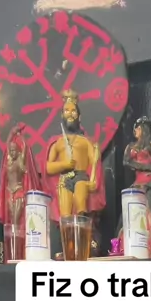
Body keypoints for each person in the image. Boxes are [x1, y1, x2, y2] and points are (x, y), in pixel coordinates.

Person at [43, 88, 105, 220]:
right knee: (65, 216)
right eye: (66, 110)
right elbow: (48, 167)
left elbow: (93, 161)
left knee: (81, 206)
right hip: (64, 179)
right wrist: (64, 164)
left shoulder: (85, 141)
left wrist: (95, 160)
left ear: (79, 116)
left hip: (81, 177)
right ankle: (67, 231)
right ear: (62, 115)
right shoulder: (57, 142)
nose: (70, 114)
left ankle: (82, 223)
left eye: (73, 111)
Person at [0, 123, 40, 227]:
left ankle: (17, 236)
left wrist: (20, 135)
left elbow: (25, 146)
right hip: (9, 191)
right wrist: (11, 133)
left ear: (18, 152)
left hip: (18, 191)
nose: (12, 152)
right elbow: (7, 145)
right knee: (11, 218)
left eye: (14, 150)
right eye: (11, 151)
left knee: (16, 218)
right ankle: (13, 236)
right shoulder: (9, 161)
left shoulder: (20, 161)